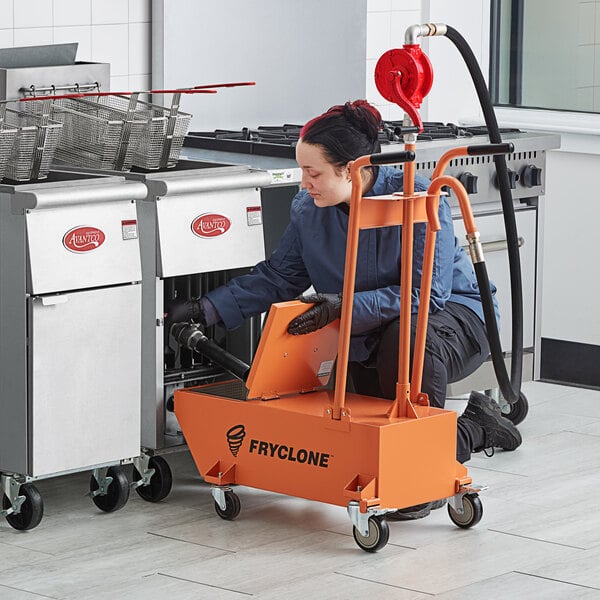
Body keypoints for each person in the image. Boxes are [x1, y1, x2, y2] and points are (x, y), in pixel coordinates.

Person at [167, 99, 522, 520]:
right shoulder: (308, 211)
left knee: (405, 337)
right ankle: (471, 428)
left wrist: (340, 307)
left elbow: (422, 296)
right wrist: (206, 308)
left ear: (353, 169)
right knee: (361, 436)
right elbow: (279, 278)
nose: (303, 184)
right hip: (363, 329)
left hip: (454, 320)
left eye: (312, 172)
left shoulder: (422, 201)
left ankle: (432, 467)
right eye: (302, 171)